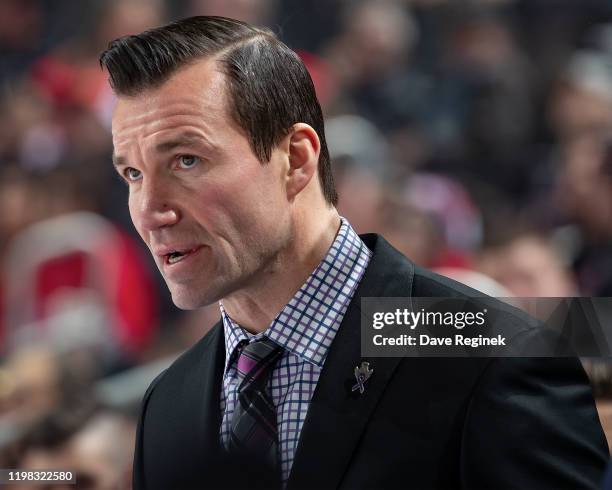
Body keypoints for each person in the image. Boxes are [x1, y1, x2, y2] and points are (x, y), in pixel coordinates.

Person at [100, 16, 608, 490]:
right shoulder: (167, 406)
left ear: (296, 160)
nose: (149, 211)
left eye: (186, 160)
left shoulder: (491, 355)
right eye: (134, 174)